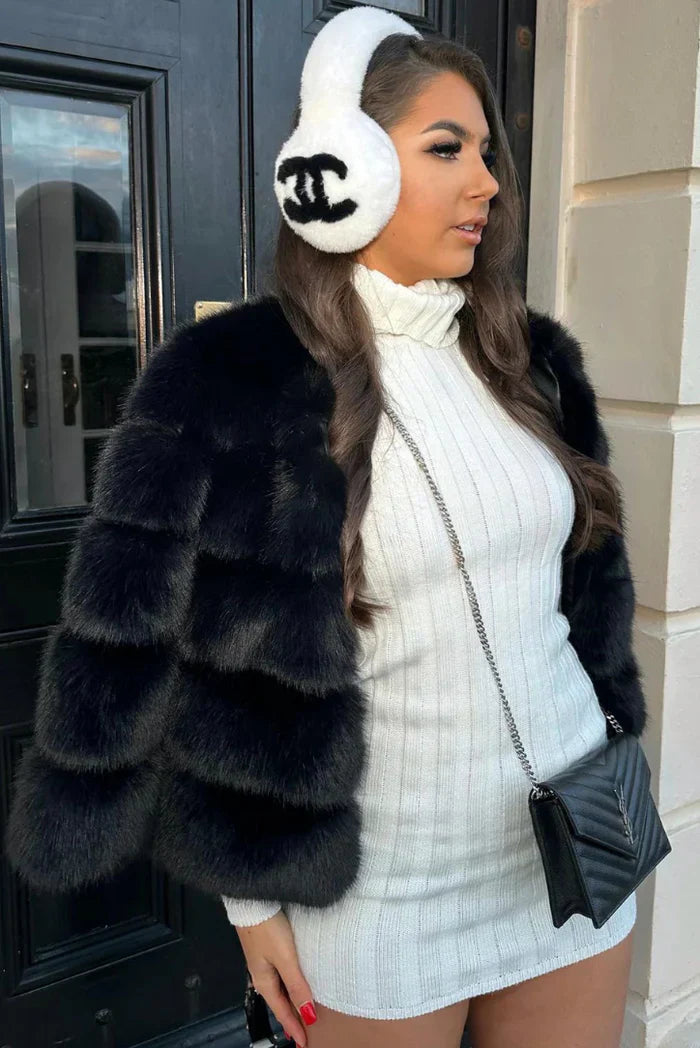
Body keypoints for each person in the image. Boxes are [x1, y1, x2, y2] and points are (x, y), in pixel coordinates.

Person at [5, 8, 646, 1048]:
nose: (487, 182)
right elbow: (155, 643)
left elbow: (586, 601)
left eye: (488, 153)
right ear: (346, 168)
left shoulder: (529, 360)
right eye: (447, 149)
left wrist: (617, 737)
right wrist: (251, 898)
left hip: (574, 837)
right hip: (381, 882)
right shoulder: (233, 379)